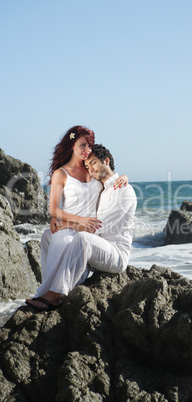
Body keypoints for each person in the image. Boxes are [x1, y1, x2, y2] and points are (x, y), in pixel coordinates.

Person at [26, 127, 127, 311]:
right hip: (72, 225)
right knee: (56, 237)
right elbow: (53, 209)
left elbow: (110, 176)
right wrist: (77, 221)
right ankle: (51, 292)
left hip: (91, 231)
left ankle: (55, 295)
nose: (86, 150)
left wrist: (124, 177)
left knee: (74, 241)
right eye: (82, 145)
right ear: (71, 145)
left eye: (89, 146)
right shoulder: (61, 173)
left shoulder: (92, 169)